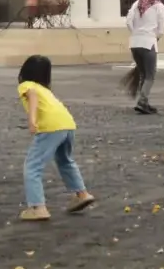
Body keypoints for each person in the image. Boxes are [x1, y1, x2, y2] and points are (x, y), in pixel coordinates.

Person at [17, 55, 96, 221]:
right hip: (68, 124)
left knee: (32, 166)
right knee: (65, 160)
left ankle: (37, 207)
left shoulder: (28, 85)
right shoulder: (45, 89)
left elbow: (31, 96)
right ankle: (82, 194)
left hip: (50, 128)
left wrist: (31, 120)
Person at [126, 0, 164, 115]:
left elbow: (128, 22)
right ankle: (142, 101)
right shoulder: (158, 6)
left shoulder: (137, 4)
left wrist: (136, 33)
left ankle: (145, 100)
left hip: (134, 43)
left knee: (143, 74)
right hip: (148, 43)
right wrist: (155, 36)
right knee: (150, 75)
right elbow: (161, 29)